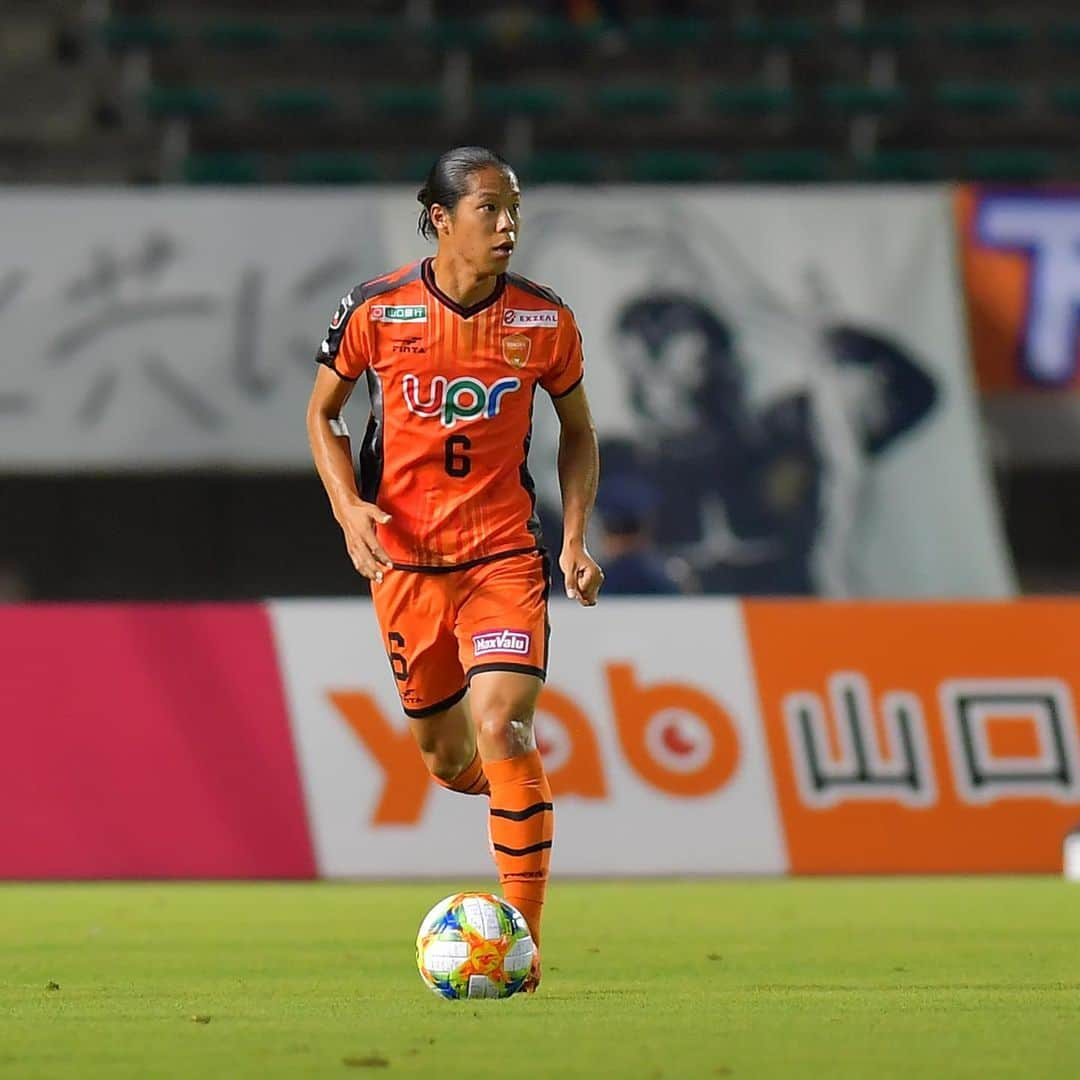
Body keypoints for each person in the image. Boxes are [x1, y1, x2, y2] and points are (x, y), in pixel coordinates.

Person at [306, 146, 603, 992]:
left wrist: (574, 537)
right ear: (440, 219)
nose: (509, 226)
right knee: (447, 759)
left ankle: (524, 941)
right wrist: (346, 506)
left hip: (504, 557)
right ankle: (521, 795)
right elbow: (321, 416)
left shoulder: (545, 321)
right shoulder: (377, 310)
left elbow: (578, 431)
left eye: (515, 209)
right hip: (405, 564)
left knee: (504, 723)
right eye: (490, 210)